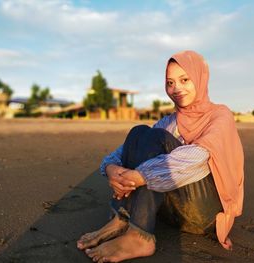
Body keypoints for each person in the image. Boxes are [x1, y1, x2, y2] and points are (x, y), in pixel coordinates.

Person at [77, 50, 244, 263]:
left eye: (185, 80)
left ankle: (139, 237)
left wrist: (141, 176)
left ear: (200, 78)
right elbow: (125, 151)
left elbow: (198, 159)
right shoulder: (170, 121)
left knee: (155, 139)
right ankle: (121, 219)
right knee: (139, 132)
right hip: (172, 211)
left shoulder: (220, 115)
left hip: (205, 215)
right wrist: (111, 169)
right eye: (170, 83)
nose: (176, 89)